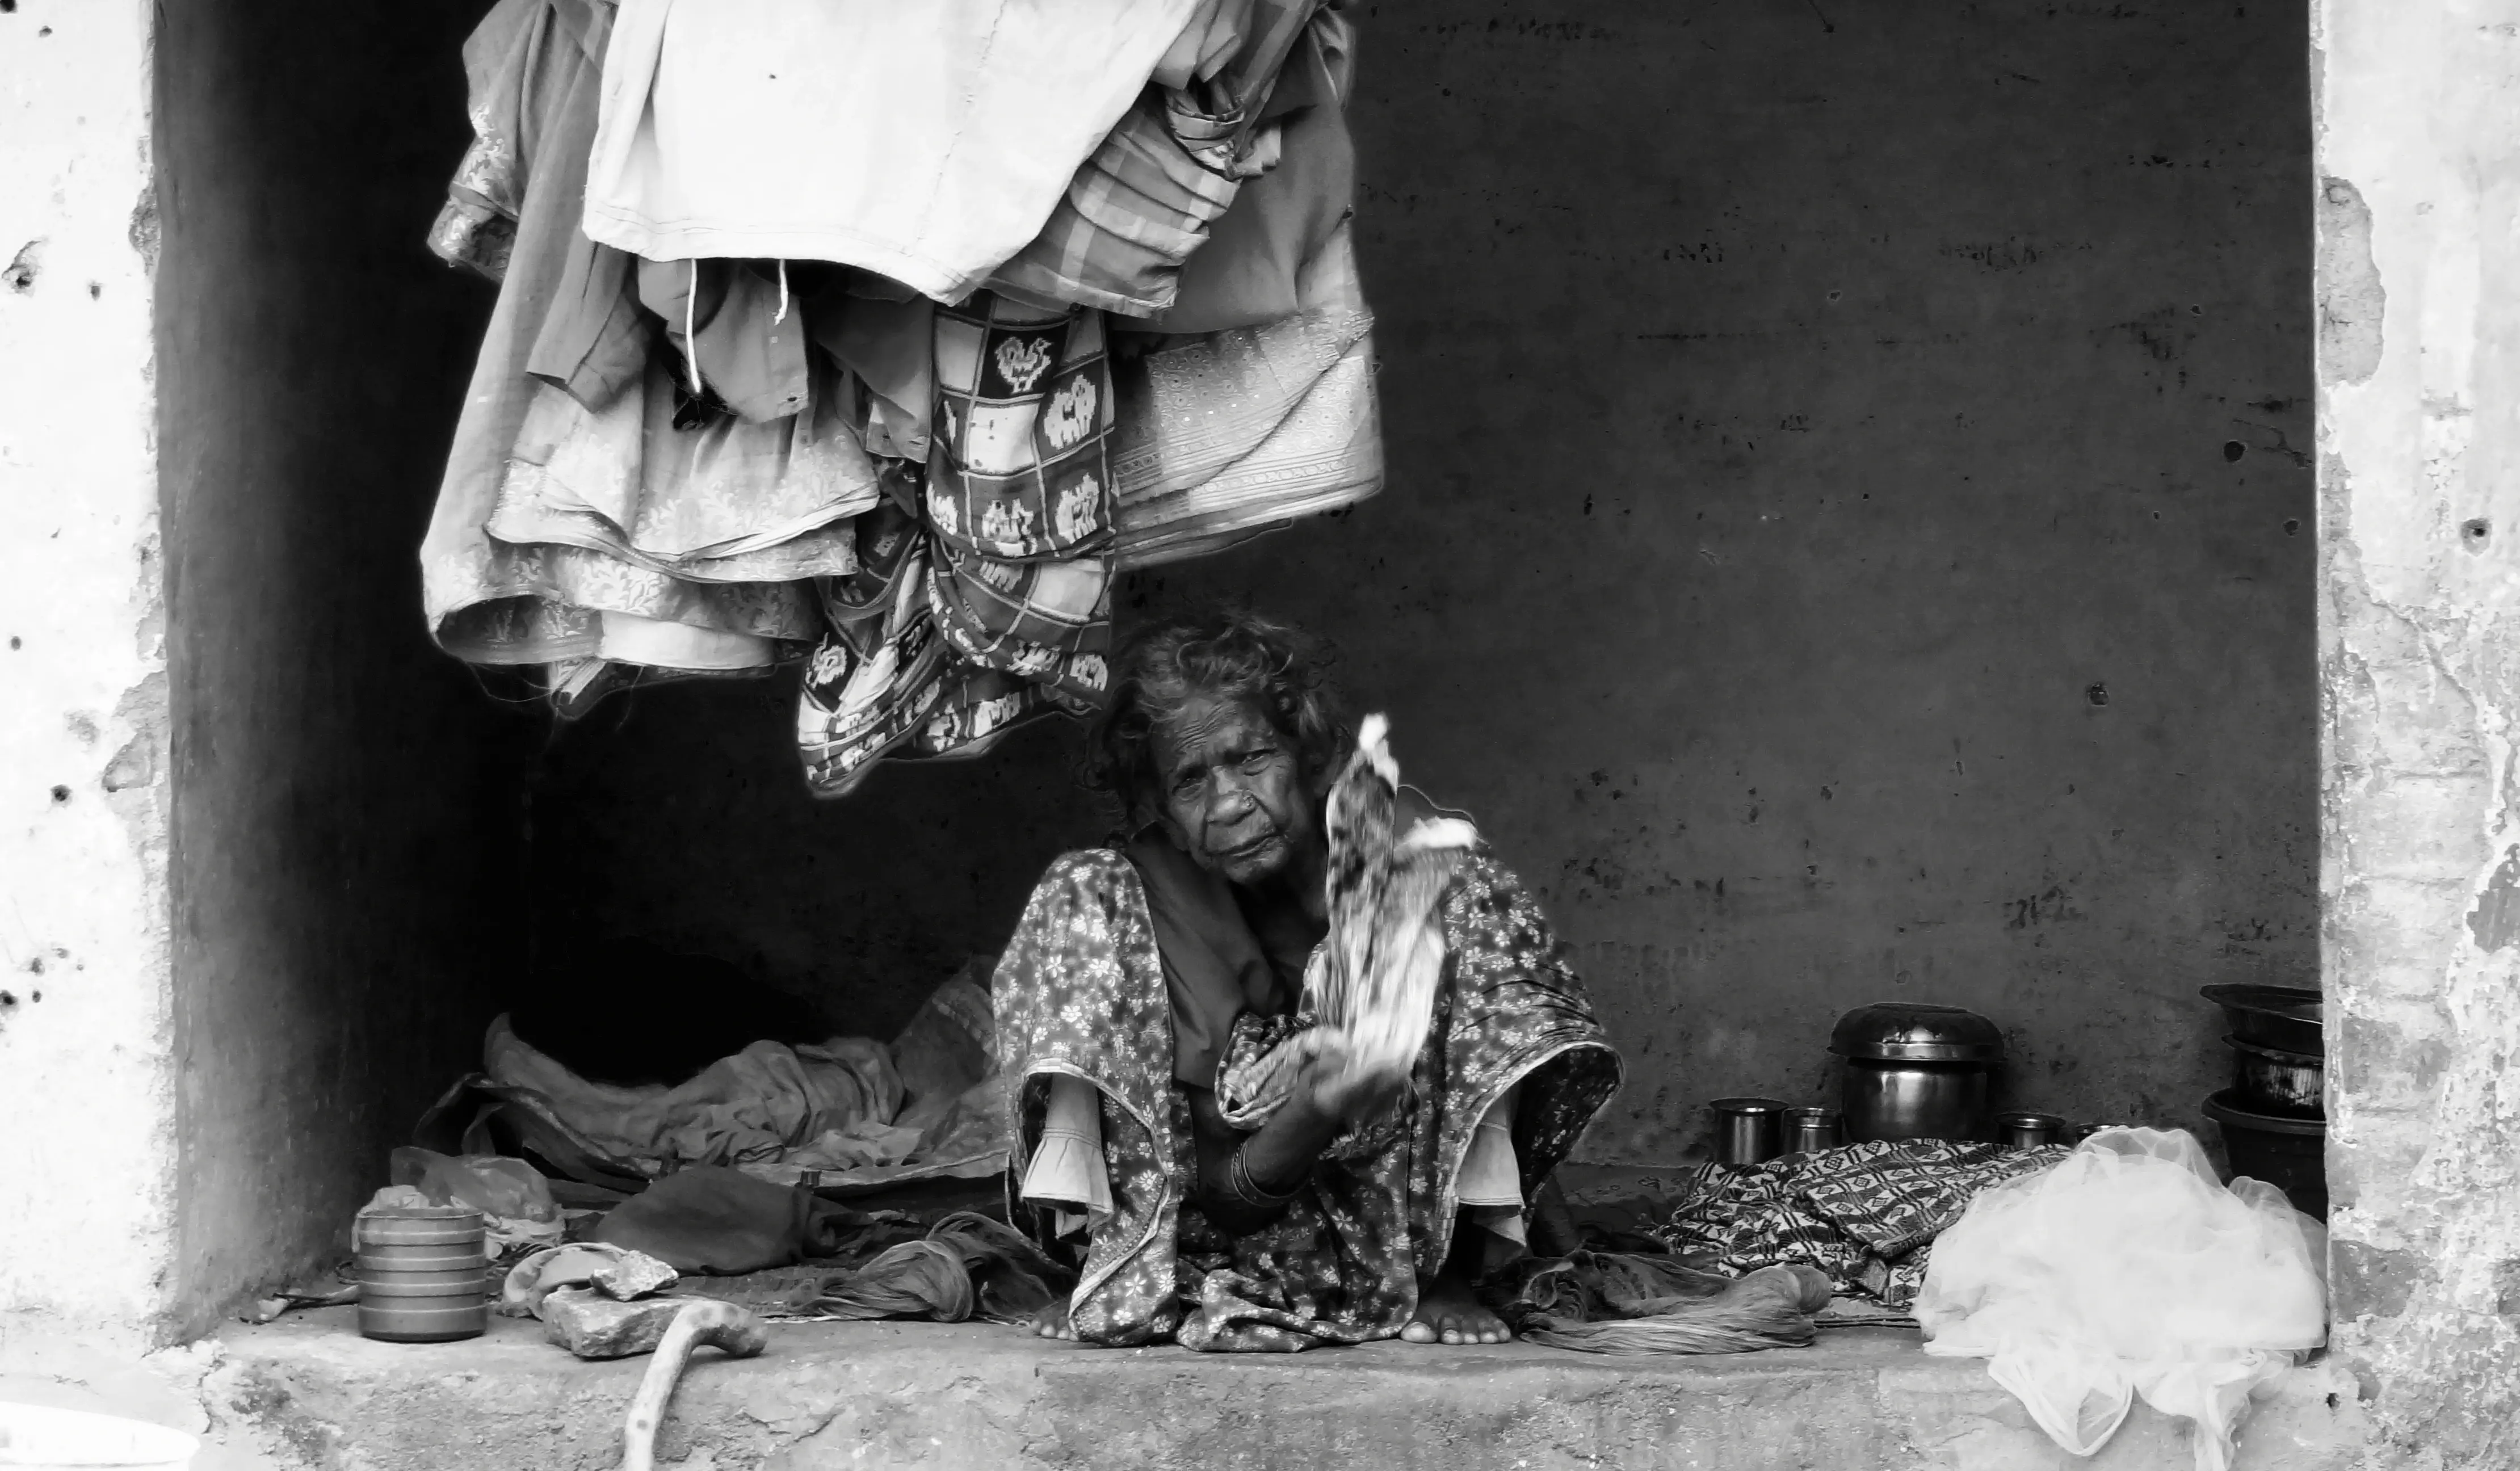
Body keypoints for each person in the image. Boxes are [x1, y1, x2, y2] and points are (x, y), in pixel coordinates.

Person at [994, 608, 1622, 1351]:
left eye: (1253, 759)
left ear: (1304, 751)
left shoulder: (1383, 856)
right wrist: (1316, 1107)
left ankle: (1454, 1266)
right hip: (1229, 1223)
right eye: (1192, 781)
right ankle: (1111, 1255)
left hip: (1406, 1210)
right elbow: (1229, 1196)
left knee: (1459, 887)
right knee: (1078, 890)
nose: (1230, 803)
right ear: (1160, 806)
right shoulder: (1150, 906)